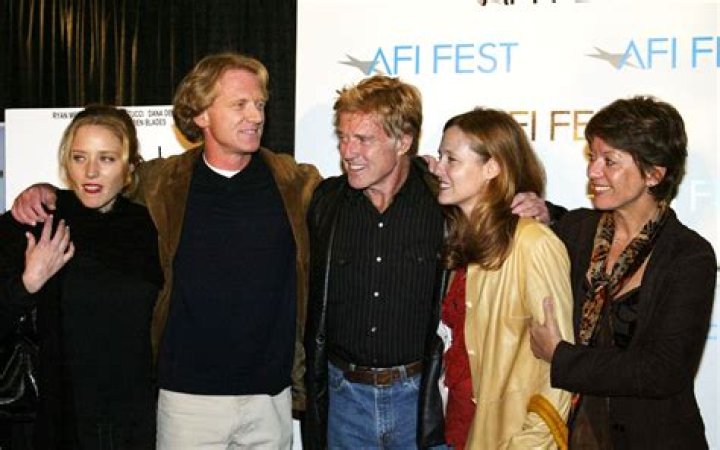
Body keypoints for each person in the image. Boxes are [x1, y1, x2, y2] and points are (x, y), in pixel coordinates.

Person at [10, 53, 322, 449]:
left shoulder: (296, 183)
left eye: (260, 104)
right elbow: (99, 183)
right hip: (186, 402)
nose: (256, 116)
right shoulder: (161, 183)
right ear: (201, 114)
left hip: (270, 400)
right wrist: (43, 192)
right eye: (240, 104)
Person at [303, 75, 559, 449]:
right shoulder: (326, 202)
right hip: (344, 399)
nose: (348, 151)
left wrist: (546, 212)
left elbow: (506, 218)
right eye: (343, 137)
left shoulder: (446, 200)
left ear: (403, 142)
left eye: (363, 139)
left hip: (420, 399)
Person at [530, 96, 716, 449]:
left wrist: (561, 356)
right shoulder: (575, 230)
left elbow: (662, 371)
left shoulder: (690, 256)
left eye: (609, 161)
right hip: (576, 436)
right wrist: (540, 211)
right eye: (592, 157)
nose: (592, 171)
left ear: (654, 174)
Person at [0, 104, 163, 449]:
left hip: (136, 420)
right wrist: (28, 284)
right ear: (66, 162)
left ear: (130, 167)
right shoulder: (37, 220)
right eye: (79, 157)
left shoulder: (153, 228)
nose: (91, 171)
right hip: (57, 421)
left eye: (107, 159)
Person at [428, 107, 574, 449]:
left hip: (508, 439)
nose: (439, 169)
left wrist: (530, 443)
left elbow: (559, 369)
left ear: (492, 168)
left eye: (451, 159)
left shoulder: (534, 244)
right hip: (456, 431)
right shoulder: (460, 241)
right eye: (440, 157)